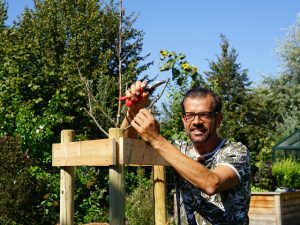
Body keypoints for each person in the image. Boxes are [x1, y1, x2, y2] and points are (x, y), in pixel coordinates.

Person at [121, 81, 251, 225]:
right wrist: (134, 111)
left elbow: (212, 183)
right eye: (190, 115)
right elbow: (124, 149)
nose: (196, 121)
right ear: (183, 120)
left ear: (218, 119)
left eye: (204, 115)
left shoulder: (236, 151)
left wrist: (156, 139)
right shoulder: (177, 150)